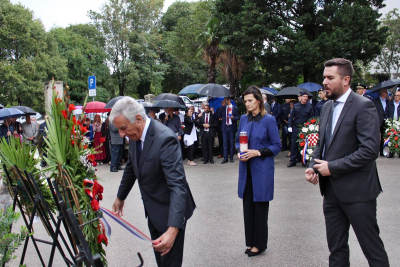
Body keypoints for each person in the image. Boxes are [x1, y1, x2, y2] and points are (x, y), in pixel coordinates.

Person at [305, 58, 389, 266]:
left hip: (359, 193)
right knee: (336, 249)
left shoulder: (364, 106)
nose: (324, 82)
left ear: (346, 80)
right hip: (331, 193)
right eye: (324, 77)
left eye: (330, 78)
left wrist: (331, 167)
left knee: (372, 249)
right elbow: (321, 145)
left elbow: (369, 151)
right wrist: (312, 167)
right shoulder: (326, 107)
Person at [110, 97, 196, 267]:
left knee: (169, 264)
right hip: (154, 211)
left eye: (123, 128)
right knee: (161, 262)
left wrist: (173, 229)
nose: (121, 134)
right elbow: (131, 167)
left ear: (139, 120)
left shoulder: (165, 139)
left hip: (170, 212)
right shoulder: (135, 135)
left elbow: (178, 187)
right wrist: (120, 196)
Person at [236, 86, 281, 257]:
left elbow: (277, 146)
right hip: (246, 170)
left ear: (259, 101)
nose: (247, 104)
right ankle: (251, 242)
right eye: (245, 101)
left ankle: (259, 245)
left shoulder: (268, 120)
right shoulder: (243, 119)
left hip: (261, 170)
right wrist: (239, 153)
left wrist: (258, 152)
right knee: (248, 208)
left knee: (260, 208)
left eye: (250, 100)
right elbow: (237, 141)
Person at [287, 92, 314, 167]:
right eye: (304, 96)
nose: (305, 98)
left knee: (304, 144)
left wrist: (310, 128)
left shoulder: (309, 107)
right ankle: (292, 160)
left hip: (305, 128)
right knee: (294, 144)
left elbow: (312, 118)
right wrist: (289, 126)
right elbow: (291, 117)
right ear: (300, 97)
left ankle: (303, 160)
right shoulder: (296, 106)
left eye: (306, 96)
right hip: (296, 127)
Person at [218, 97, 239, 163]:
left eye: (225, 100)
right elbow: (220, 116)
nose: (224, 101)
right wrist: (220, 117)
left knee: (232, 143)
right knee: (225, 143)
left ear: (229, 100)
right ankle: (225, 158)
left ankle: (231, 157)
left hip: (231, 127)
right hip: (225, 127)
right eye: (224, 100)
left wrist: (233, 118)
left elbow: (238, 117)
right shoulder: (223, 108)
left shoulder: (235, 108)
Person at [372, 88, 389, 156]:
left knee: (384, 137)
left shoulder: (388, 101)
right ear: (382, 93)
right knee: (376, 137)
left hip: (386, 121)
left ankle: (382, 151)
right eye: (385, 92)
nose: (387, 93)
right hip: (378, 121)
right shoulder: (375, 101)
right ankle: (375, 151)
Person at [384, 90, 400, 158]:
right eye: (395, 95)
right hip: (391, 122)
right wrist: (388, 121)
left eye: (398, 96)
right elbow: (386, 113)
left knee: (398, 138)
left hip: (399, 122)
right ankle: (391, 152)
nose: (396, 97)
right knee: (391, 137)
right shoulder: (390, 104)